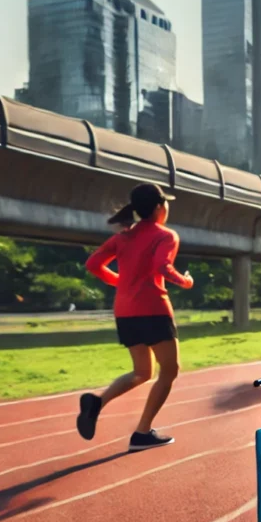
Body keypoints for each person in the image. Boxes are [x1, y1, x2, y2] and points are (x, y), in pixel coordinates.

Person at [76, 183, 195, 452]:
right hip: (153, 308)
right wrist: (186, 282)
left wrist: (121, 281)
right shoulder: (166, 235)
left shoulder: (123, 237)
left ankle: (98, 402)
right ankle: (142, 433)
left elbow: (93, 264)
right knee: (170, 370)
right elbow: (162, 266)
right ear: (158, 208)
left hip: (125, 311)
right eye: (165, 203)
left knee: (142, 371)